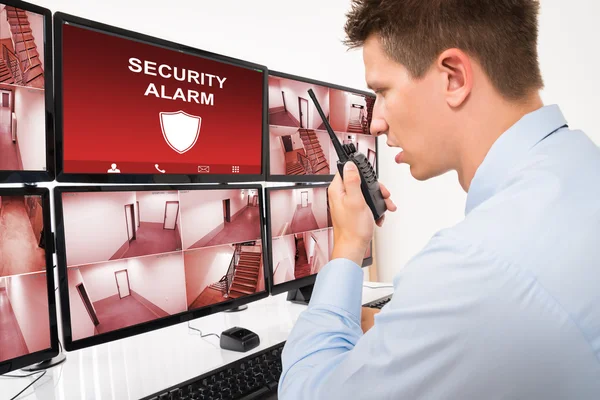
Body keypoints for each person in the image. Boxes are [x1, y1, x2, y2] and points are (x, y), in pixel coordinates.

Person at [279, 0, 600, 398]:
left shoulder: (474, 265)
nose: (376, 122)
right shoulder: (583, 166)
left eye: (383, 91)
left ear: (453, 78)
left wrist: (347, 245)